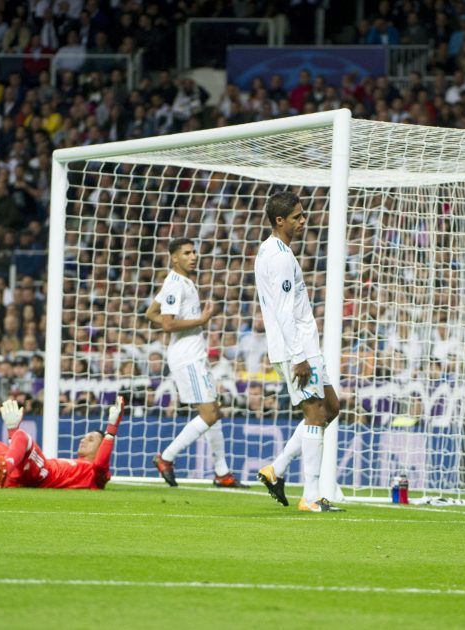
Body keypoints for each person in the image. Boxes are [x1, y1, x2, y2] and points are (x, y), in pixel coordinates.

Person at [253, 191, 344, 513]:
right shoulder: (278, 257)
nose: (303, 221)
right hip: (296, 349)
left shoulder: (274, 251)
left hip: (306, 347)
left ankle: (276, 469)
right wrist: (298, 356)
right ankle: (311, 495)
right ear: (280, 220)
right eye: (297, 217)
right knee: (315, 415)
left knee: (331, 407)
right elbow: (282, 311)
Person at [145, 237, 246, 489]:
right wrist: (200, 321)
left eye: (194, 252)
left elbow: (150, 313)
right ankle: (166, 457)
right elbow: (167, 323)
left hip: (195, 355)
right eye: (187, 253)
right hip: (187, 357)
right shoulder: (175, 284)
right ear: (175, 258)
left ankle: (222, 473)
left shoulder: (182, 282)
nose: (193, 257)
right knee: (210, 414)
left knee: (214, 412)